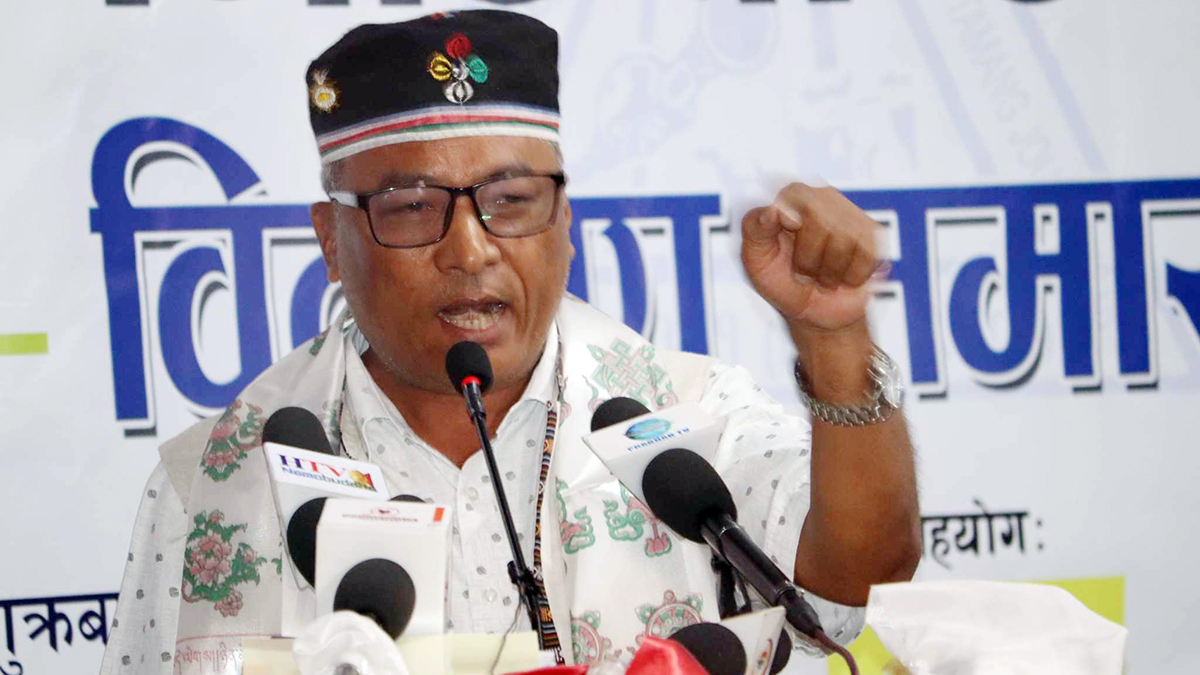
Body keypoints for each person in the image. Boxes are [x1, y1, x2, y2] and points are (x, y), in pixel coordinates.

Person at [101, 10, 919, 674]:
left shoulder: (687, 424)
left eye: (512, 200)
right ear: (330, 239)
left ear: (564, 220)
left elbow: (859, 579)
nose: (471, 249)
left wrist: (835, 342)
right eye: (413, 207)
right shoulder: (211, 485)